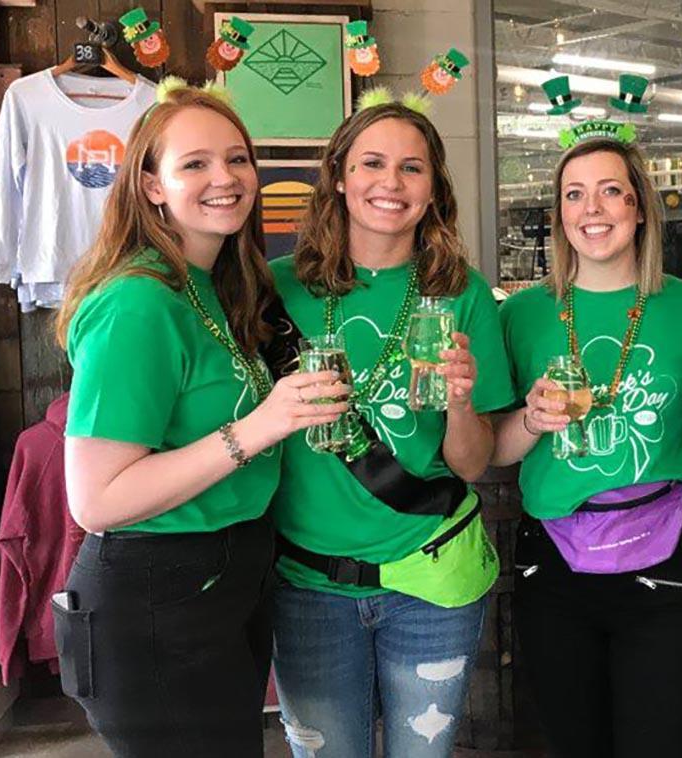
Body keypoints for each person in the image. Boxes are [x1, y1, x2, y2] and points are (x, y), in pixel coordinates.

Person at [53, 80, 348, 756]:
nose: (226, 178)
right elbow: (97, 500)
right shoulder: (138, 303)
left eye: (237, 158)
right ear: (152, 186)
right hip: (154, 598)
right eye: (195, 164)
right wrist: (259, 427)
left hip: (224, 584)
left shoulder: (215, 289)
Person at [265, 91, 515, 758]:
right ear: (340, 176)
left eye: (413, 168)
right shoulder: (274, 289)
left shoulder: (461, 292)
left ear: (434, 189)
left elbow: (471, 464)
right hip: (307, 585)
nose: (391, 183)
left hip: (430, 580)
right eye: (372, 163)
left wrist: (461, 399)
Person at [492, 137, 682, 758]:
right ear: (560, 214)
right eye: (574, 194)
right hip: (554, 566)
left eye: (609, 190)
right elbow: (495, 450)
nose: (592, 208)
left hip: (668, 559)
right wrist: (533, 421)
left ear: (640, 205)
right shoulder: (522, 316)